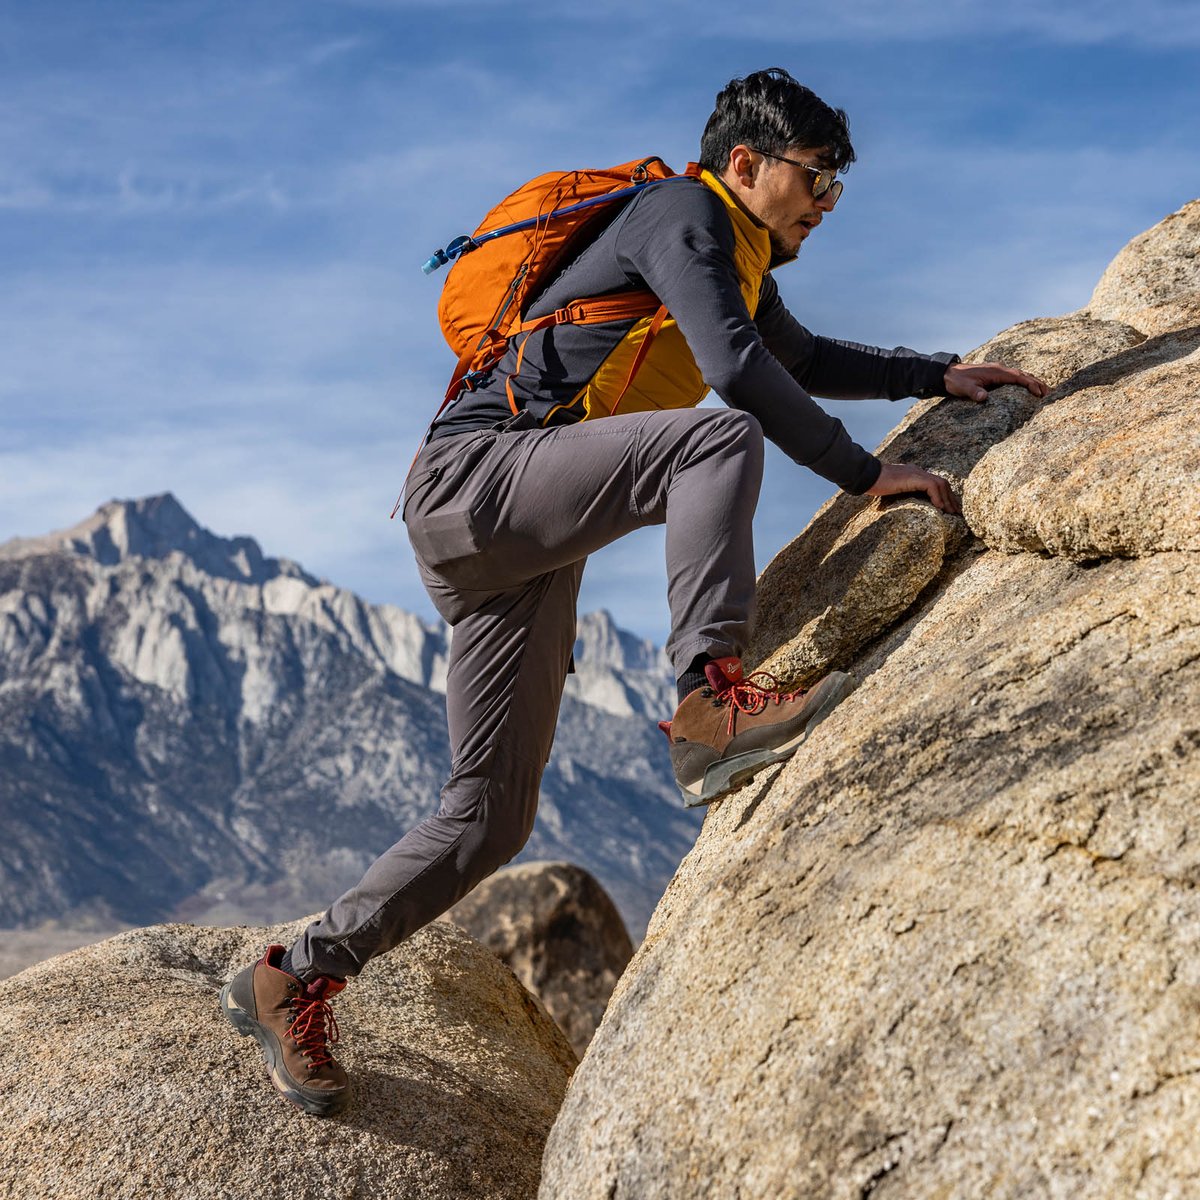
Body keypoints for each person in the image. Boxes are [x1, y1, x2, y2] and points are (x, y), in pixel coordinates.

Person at [219, 67, 1049, 1116]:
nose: (827, 204)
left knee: (487, 821)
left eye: (839, 186)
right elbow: (741, 372)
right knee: (713, 435)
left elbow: (795, 353)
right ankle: (709, 697)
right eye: (817, 177)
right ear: (743, 164)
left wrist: (933, 377)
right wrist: (864, 473)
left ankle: (293, 972)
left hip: (507, 540)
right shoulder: (681, 212)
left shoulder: (734, 254)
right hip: (476, 482)